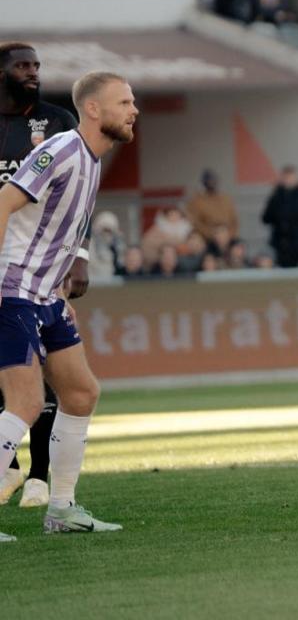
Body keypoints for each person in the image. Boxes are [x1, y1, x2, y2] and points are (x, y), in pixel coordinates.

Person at [0, 71, 137, 541]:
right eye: (123, 102)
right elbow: (2, 203)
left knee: (80, 394)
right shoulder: (58, 150)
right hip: (12, 290)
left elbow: (53, 233)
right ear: (94, 110)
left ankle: (61, 509)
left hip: (44, 296)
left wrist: (58, 290)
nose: (133, 110)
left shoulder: (92, 160)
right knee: (26, 401)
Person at [0, 42, 89, 510]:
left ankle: (41, 479)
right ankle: (13, 471)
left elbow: (77, 201)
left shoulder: (57, 123)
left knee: (60, 386)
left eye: (36, 65)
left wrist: (80, 255)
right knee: (22, 390)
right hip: (10, 273)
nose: (33, 72)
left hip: (37, 271)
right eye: (22, 65)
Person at [262, 165, 298, 268]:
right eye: (286, 177)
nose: (288, 181)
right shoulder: (276, 196)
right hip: (279, 245)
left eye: (290, 177)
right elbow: (265, 218)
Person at [185, 169, 239, 242]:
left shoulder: (226, 199)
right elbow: (195, 222)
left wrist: (230, 235)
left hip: (228, 237)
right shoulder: (196, 201)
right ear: (203, 182)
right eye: (209, 180)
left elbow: (234, 220)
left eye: (214, 180)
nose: (212, 182)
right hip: (207, 239)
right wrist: (212, 235)